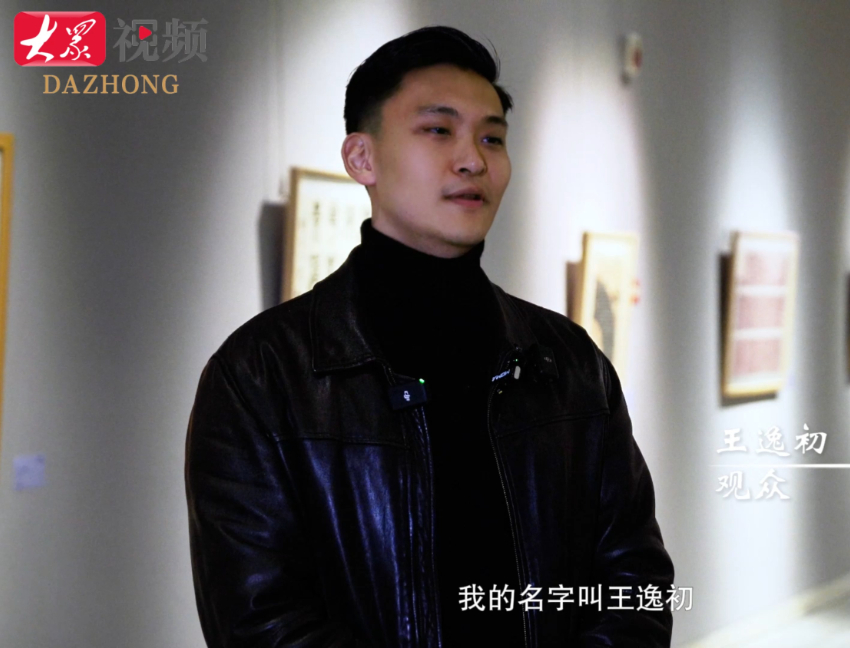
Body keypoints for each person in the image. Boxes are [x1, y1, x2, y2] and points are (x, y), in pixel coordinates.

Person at [185, 25, 674, 647]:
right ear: (361, 158)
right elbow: (259, 620)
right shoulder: (262, 373)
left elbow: (636, 581)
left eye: (492, 137)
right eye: (439, 130)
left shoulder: (568, 362)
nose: (473, 160)